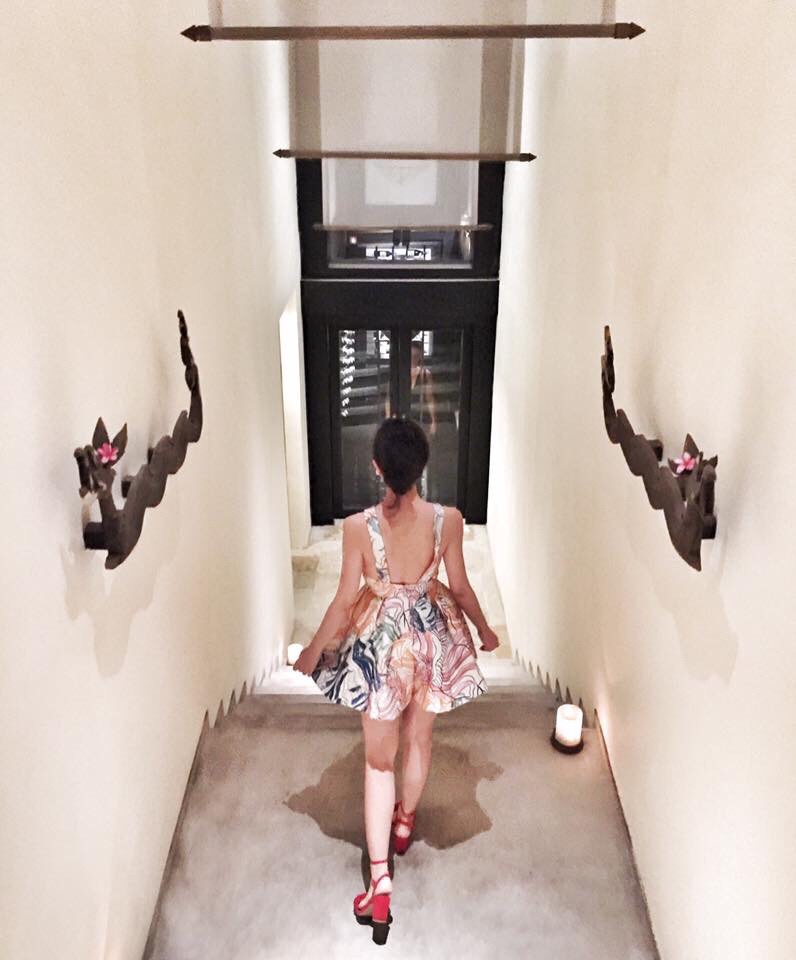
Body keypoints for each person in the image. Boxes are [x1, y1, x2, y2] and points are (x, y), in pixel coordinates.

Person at [293, 416, 500, 946]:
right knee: (420, 739)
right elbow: (461, 586)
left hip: (380, 646)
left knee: (378, 761)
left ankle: (380, 882)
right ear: (422, 466)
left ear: (377, 468)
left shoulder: (357, 527)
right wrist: (483, 630)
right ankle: (405, 822)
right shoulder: (448, 521)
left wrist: (313, 652)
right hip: (431, 636)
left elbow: (345, 600)